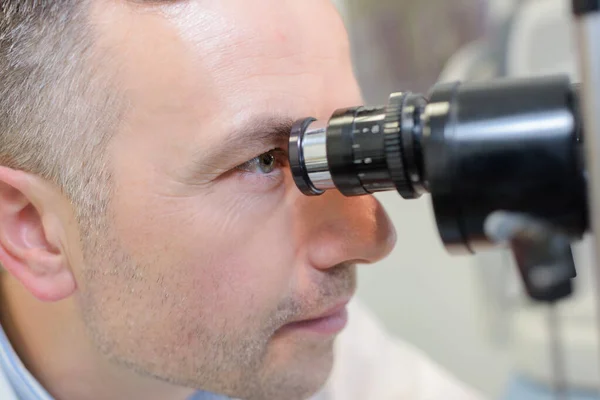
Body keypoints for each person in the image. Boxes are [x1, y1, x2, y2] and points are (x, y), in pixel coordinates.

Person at [0, 1, 483, 399]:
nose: (370, 239)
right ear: (35, 230)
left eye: (341, 145)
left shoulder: (299, 350)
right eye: (264, 162)